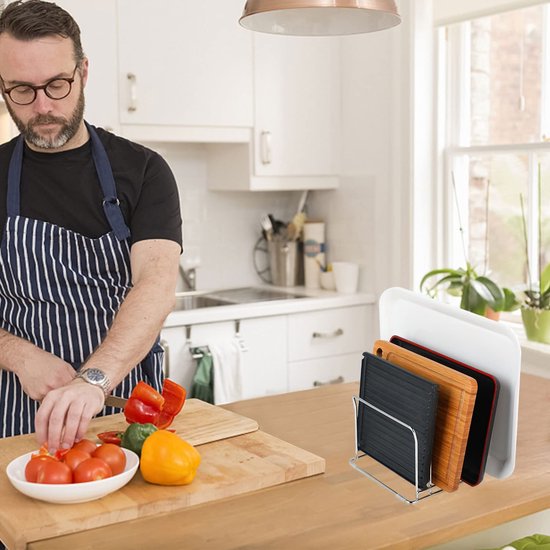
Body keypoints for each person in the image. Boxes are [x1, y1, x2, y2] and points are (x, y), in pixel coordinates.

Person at [0, 0, 182, 453]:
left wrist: (93, 379)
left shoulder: (144, 171)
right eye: (22, 90)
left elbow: (156, 285)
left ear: (83, 72)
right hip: (24, 411)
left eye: (57, 85)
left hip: (127, 407)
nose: (42, 107)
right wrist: (19, 355)